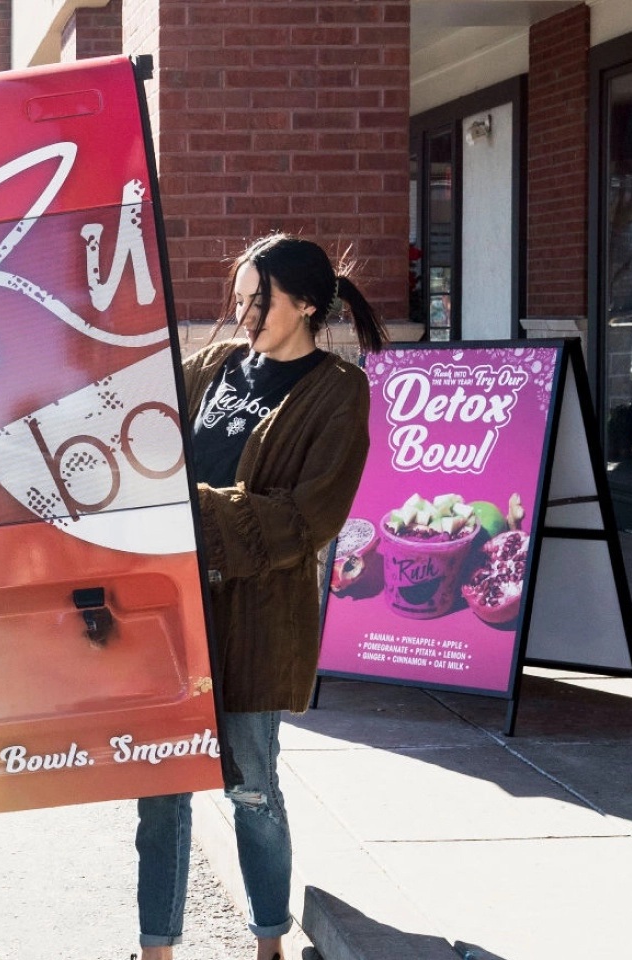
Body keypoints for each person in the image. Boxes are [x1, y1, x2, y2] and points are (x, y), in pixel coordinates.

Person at [135, 233, 388, 960]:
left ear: (305, 303)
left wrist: (194, 510)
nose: (244, 313)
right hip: (172, 612)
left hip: (257, 619)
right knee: (160, 790)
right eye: (239, 297)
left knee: (252, 788)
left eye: (260, 299)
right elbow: (129, 415)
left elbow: (309, 517)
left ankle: (268, 941)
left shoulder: (338, 392)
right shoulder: (214, 368)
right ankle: (157, 949)